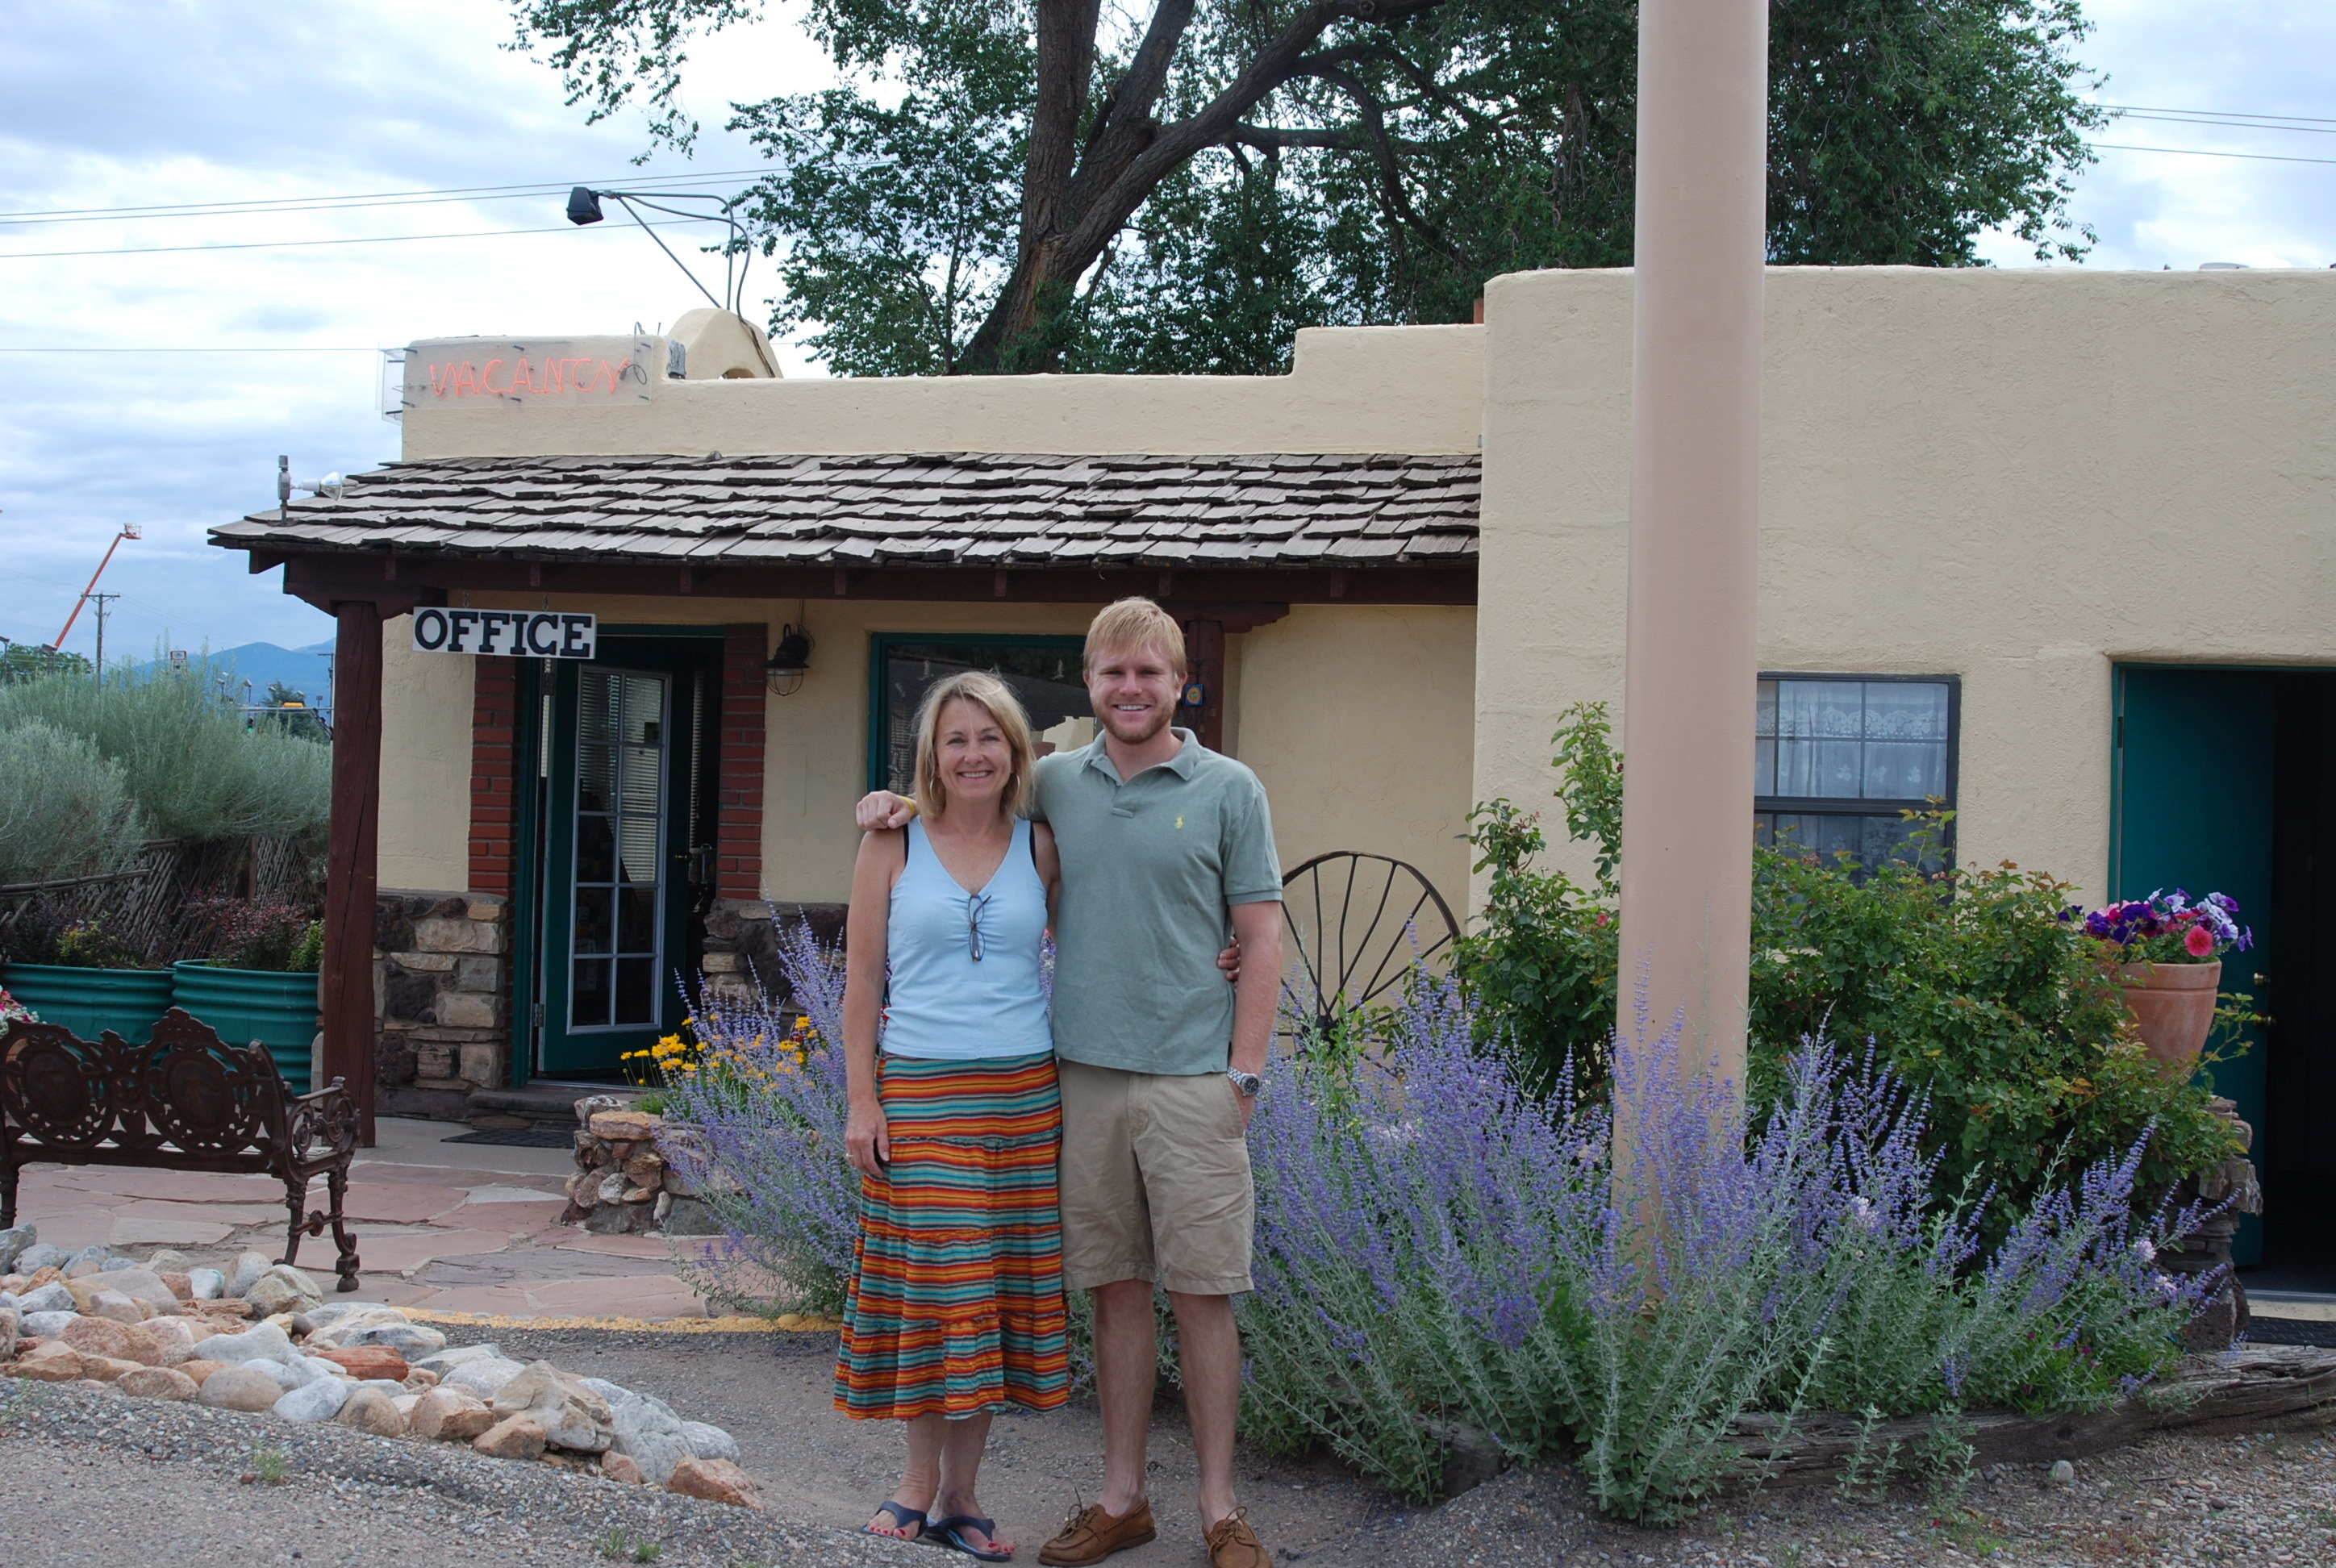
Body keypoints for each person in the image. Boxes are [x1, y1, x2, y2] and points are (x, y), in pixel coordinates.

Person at [859, 598, 1286, 1568]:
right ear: (1089, 683)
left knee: (1206, 1293)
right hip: (1080, 1078)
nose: (1130, 689)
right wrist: (882, 807)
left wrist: (1245, 1076)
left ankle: (1221, 1511)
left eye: (1149, 673)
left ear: (1179, 682)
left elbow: (1259, 935)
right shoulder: (1053, 781)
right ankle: (1121, 1499)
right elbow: (957, 808)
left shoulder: (1229, 788)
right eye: (1112, 673)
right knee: (1117, 1293)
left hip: (1194, 1081)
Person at [838, 669, 1068, 1562]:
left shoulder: (1041, 848)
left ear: (1016, 751)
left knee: (990, 1298)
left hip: (1022, 1098)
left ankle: (963, 1500)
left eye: (989, 737)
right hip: (923, 1093)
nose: (973, 754)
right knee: (940, 1294)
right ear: (932, 754)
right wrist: (862, 1099)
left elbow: (1096, 947)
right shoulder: (891, 844)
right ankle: (913, 1486)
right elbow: (862, 983)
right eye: (955, 738)